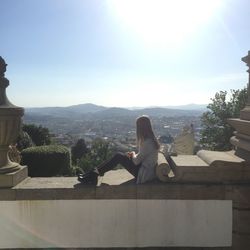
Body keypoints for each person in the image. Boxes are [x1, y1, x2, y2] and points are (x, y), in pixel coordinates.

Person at [78, 115, 160, 185]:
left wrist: (133, 154)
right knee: (119, 156)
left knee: (118, 156)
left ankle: (93, 175)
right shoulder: (150, 140)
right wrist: (133, 155)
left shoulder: (148, 142)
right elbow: (141, 158)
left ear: (141, 128)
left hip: (144, 174)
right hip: (145, 170)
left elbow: (136, 161)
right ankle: (93, 174)